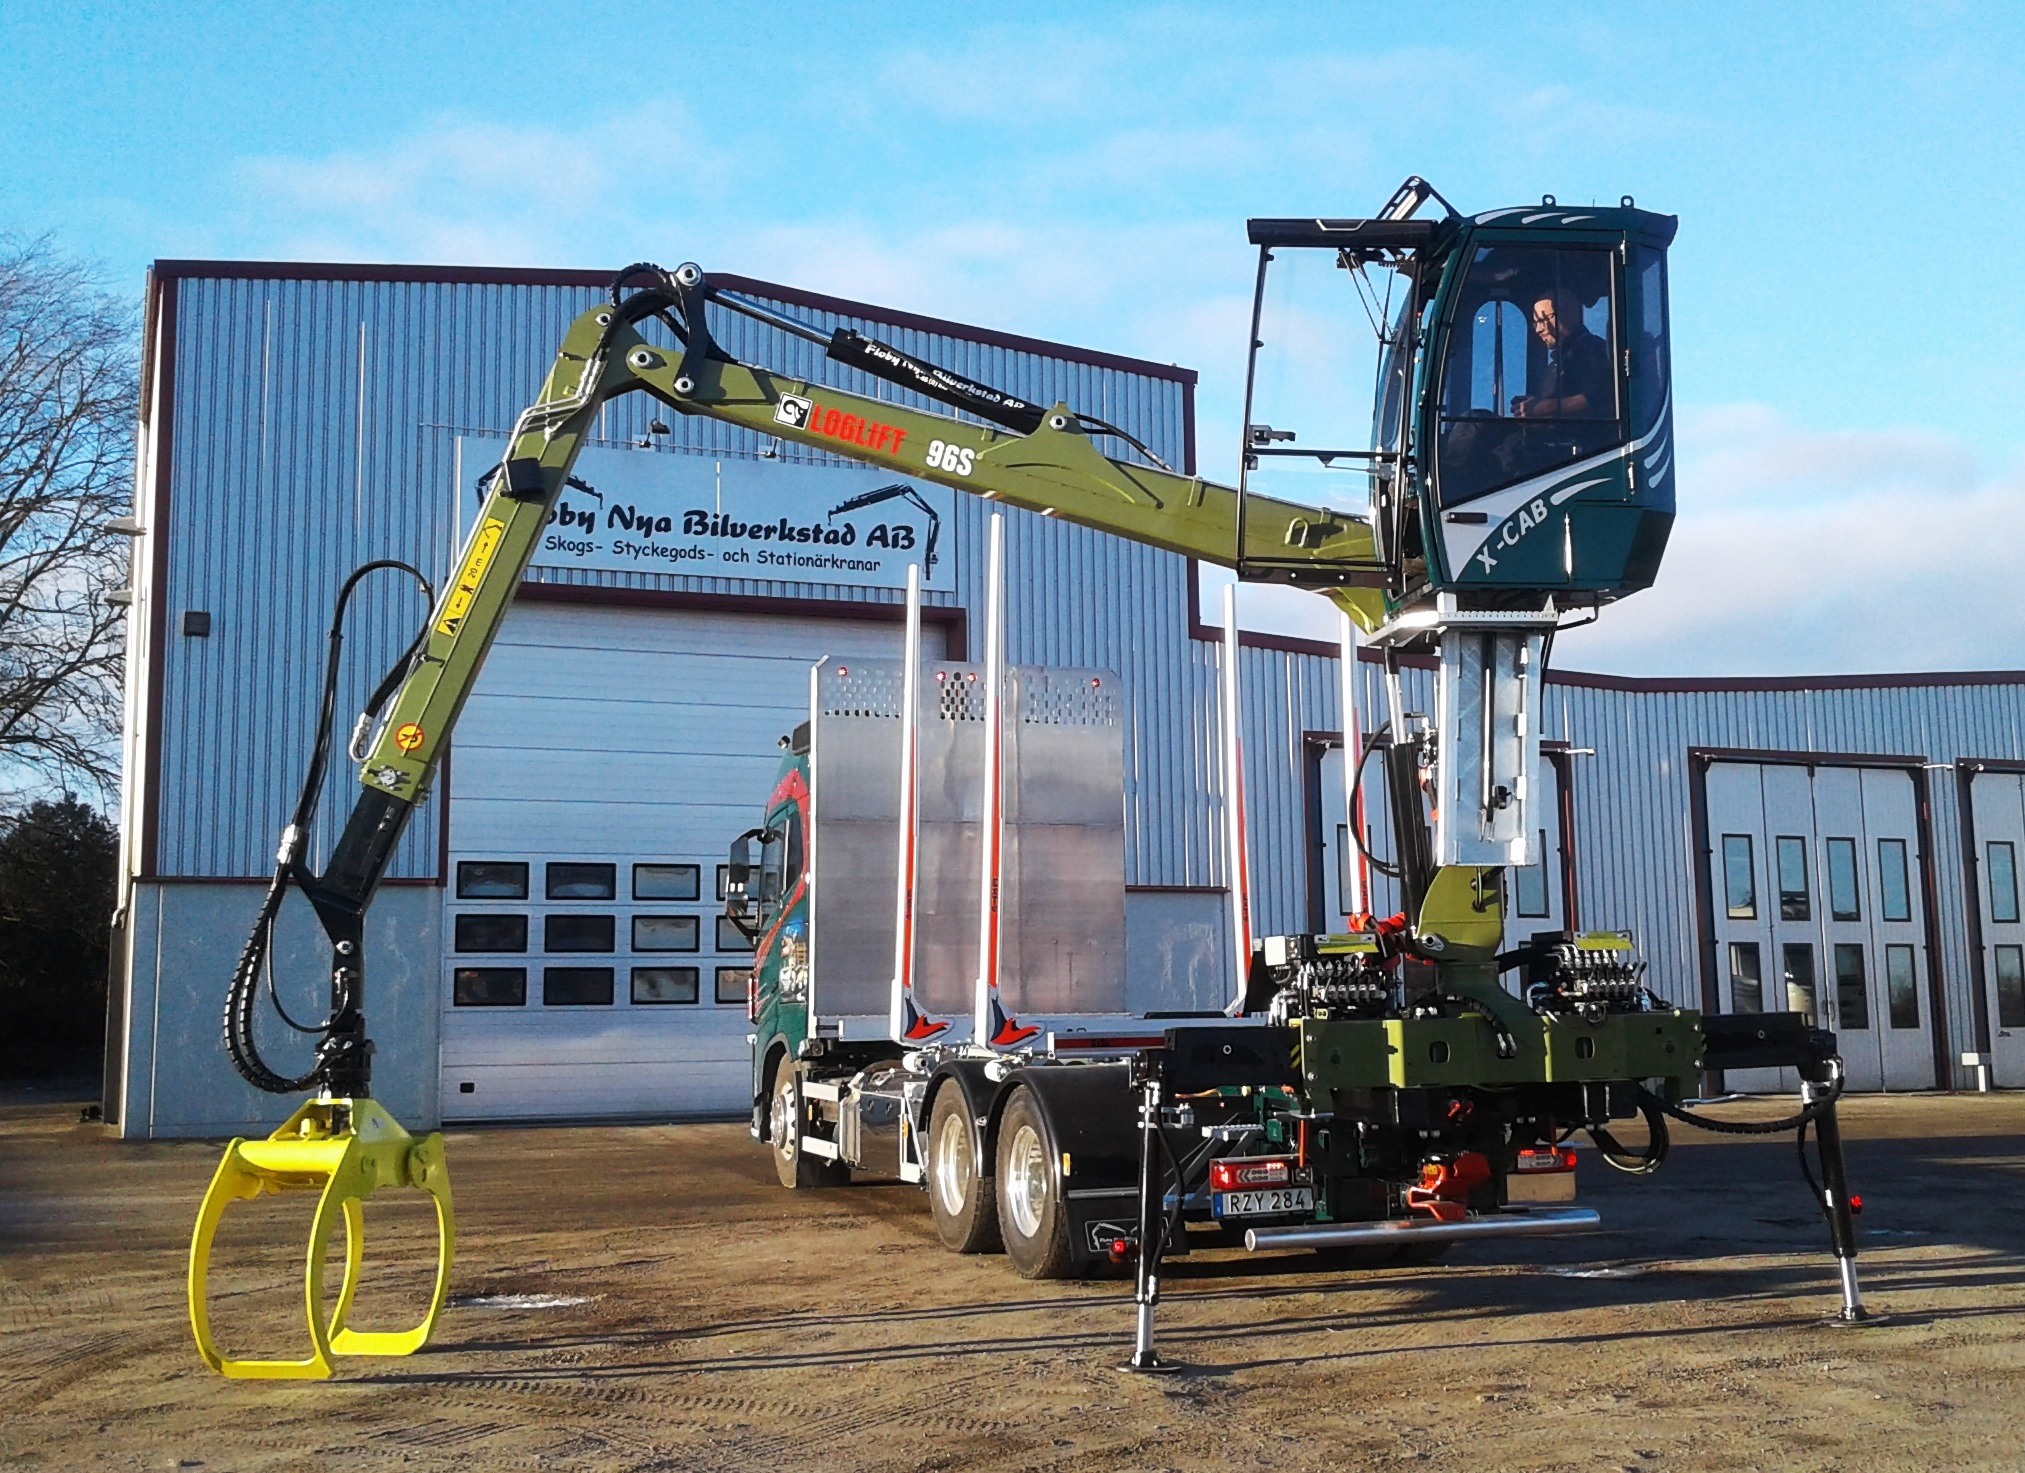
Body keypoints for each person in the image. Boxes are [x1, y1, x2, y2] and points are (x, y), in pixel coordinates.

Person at [1512, 287, 1611, 419]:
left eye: (1543, 320)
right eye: (1536, 323)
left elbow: (1601, 396)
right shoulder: (1557, 363)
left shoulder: (1594, 350)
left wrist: (1543, 408)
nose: (1538, 329)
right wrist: (1531, 405)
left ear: (1568, 314)